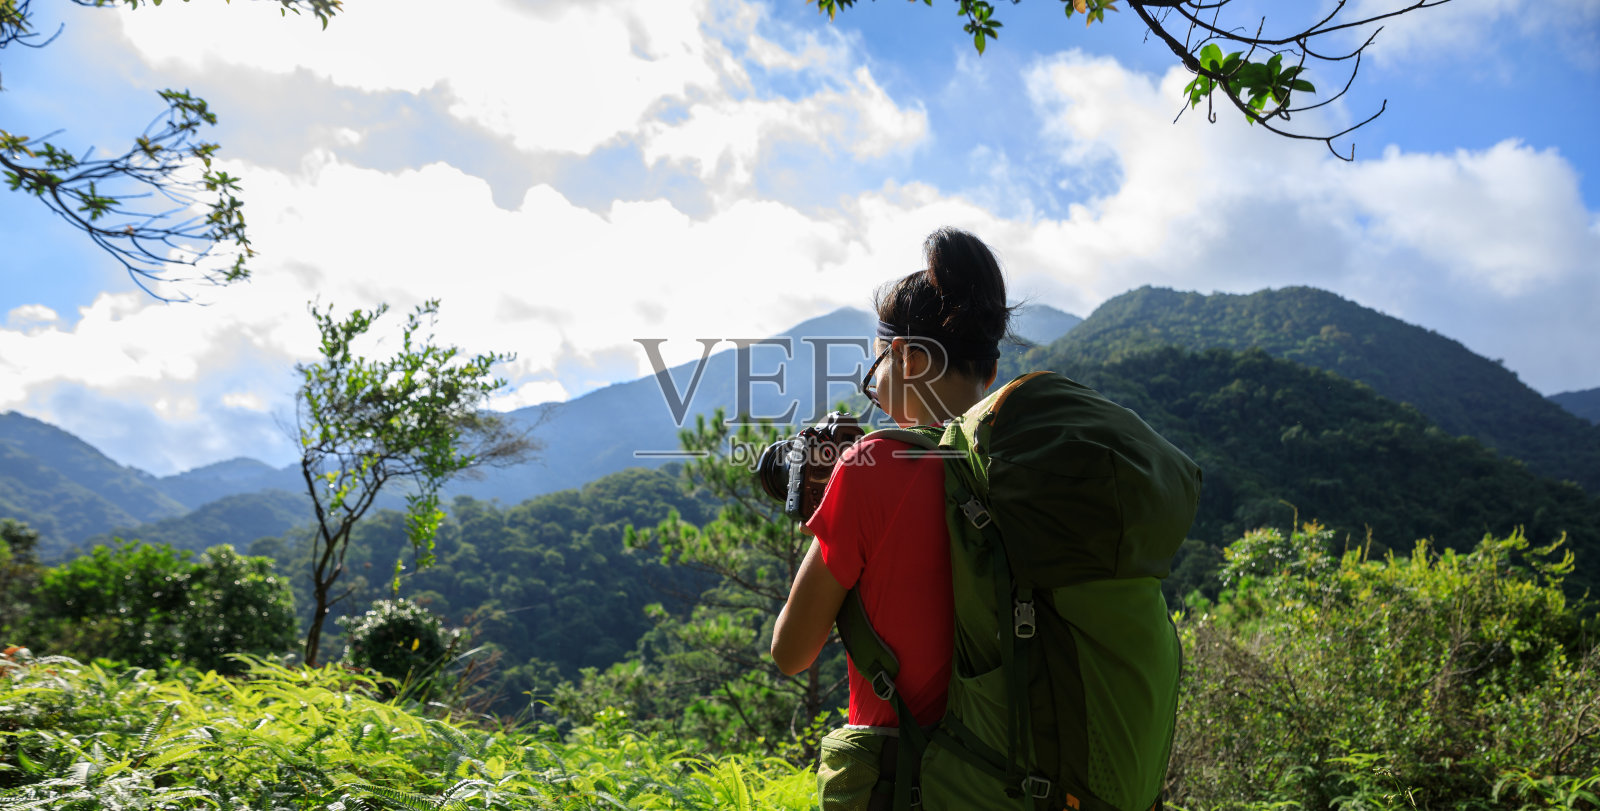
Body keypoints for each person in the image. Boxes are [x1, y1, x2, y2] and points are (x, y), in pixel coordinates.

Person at [770, 226, 1013, 732]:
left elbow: (790, 653)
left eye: (877, 362)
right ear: (989, 373)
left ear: (909, 357)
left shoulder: (876, 467)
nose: (874, 384)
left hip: (910, 780)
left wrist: (836, 514)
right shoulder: (1023, 456)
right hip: (1024, 770)